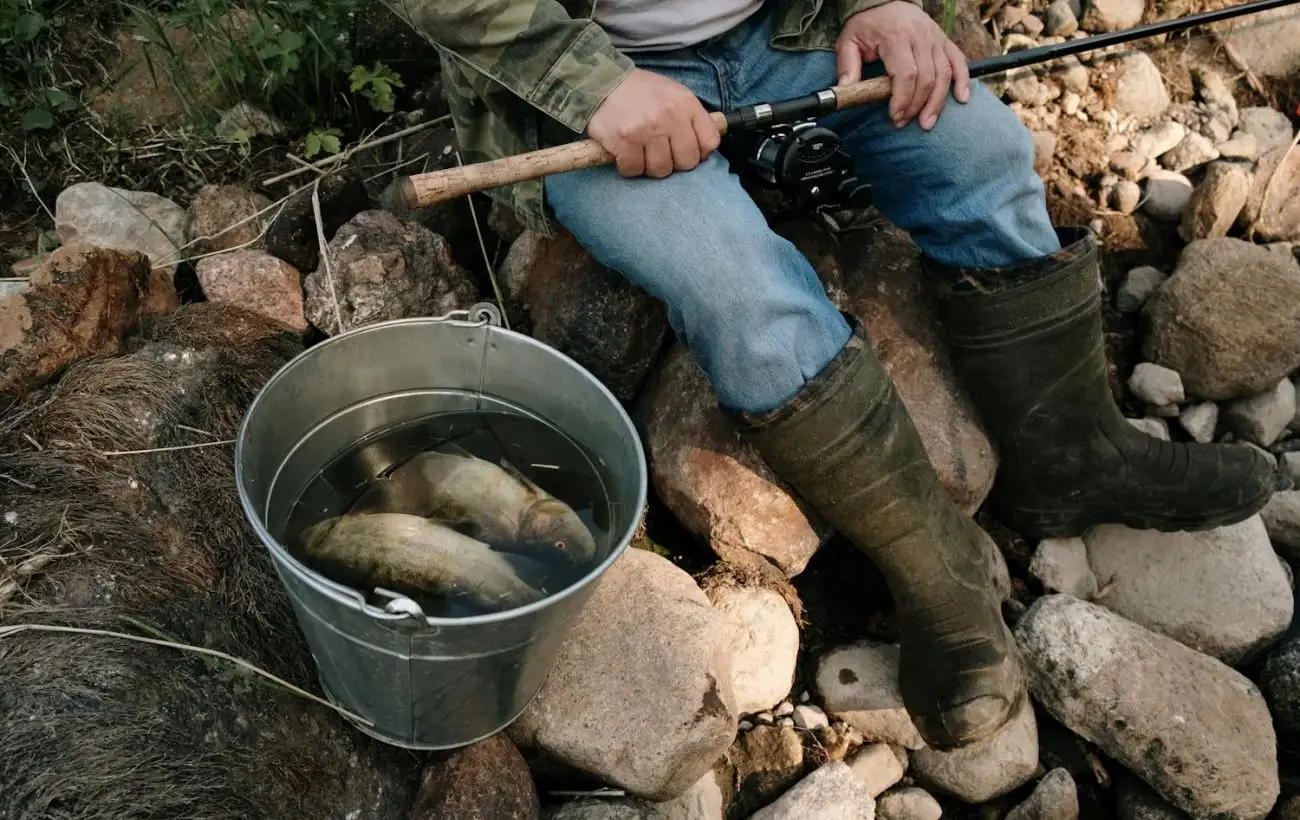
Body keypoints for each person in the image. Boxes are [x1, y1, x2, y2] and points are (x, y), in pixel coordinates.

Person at [380, 0, 1286, 748]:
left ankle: (1075, 459)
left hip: (799, 34)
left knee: (981, 155)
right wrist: (596, 85)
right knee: (740, 292)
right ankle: (941, 579)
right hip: (593, 91)